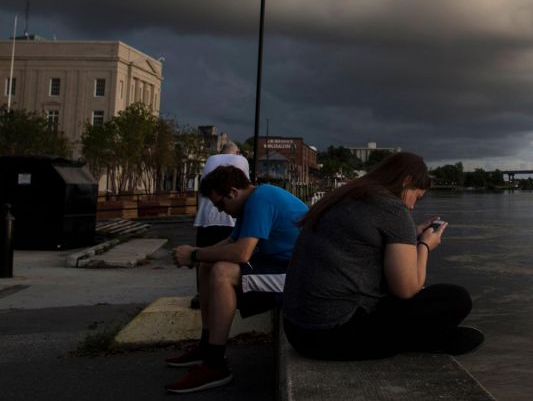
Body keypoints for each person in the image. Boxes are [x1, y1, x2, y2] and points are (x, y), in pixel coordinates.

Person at [282, 152, 482, 360]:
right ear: (407, 181)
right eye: (416, 196)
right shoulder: (393, 209)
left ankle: (423, 337)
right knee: (455, 299)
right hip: (332, 336)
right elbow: (407, 289)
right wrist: (424, 245)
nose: (412, 206)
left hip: (297, 331)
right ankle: (427, 338)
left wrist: (408, 236)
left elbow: (363, 245)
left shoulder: (344, 196)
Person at [166, 165, 308, 394]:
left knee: (222, 272)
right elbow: (231, 243)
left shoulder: (262, 199)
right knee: (207, 265)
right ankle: (207, 344)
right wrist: (198, 254)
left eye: (220, 204)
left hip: (299, 273)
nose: (221, 211)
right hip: (279, 265)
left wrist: (193, 253)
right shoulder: (252, 201)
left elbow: (242, 253)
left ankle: (215, 365)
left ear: (233, 192)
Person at [189, 141, 248, 309]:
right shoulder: (241, 161)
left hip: (206, 219)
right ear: (236, 152)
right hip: (229, 220)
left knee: (204, 256)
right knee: (228, 257)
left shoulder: (209, 161)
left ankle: (201, 294)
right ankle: (229, 293)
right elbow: (245, 187)